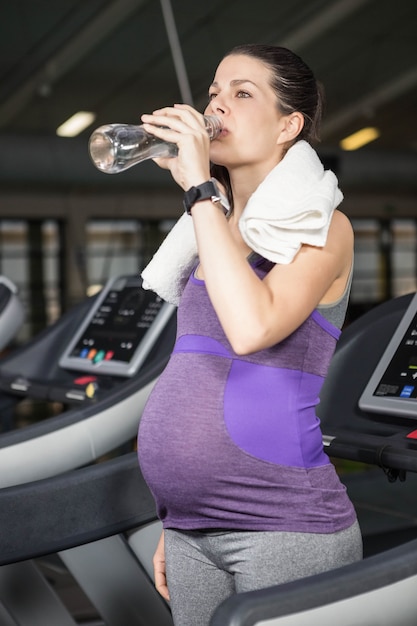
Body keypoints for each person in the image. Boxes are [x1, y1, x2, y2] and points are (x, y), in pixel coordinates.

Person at [137, 43, 362, 626]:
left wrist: (198, 191)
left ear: (290, 125)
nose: (217, 105)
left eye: (242, 93)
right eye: (214, 92)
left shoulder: (324, 227)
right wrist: (178, 513)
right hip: (188, 527)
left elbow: (253, 327)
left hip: (284, 523)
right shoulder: (209, 227)